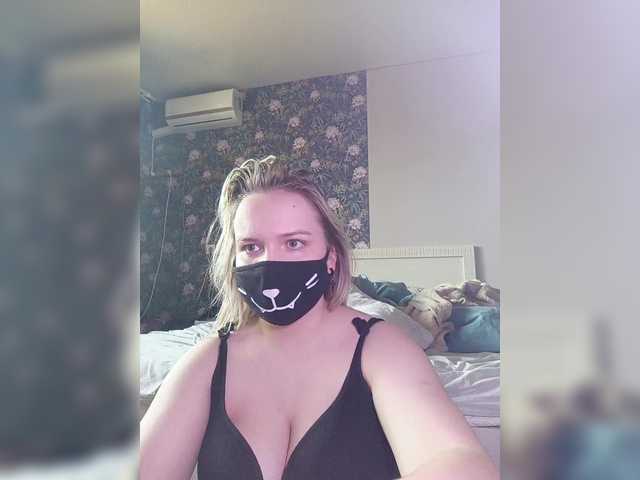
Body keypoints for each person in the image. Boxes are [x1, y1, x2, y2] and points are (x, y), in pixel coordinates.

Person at [140, 156, 498, 480]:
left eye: (294, 243)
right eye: (251, 247)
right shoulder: (207, 361)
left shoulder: (382, 348)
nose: (270, 262)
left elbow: (460, 463)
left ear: (330, 257)